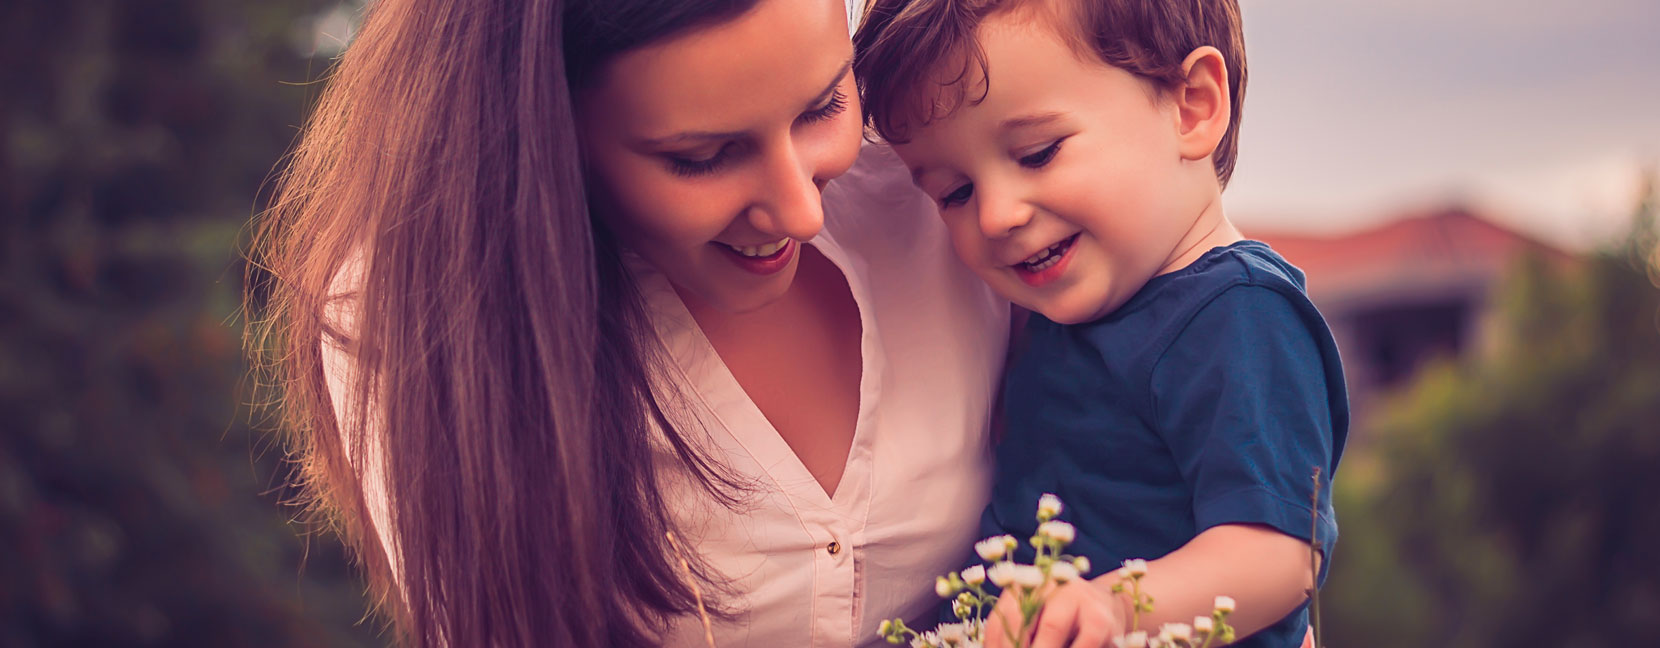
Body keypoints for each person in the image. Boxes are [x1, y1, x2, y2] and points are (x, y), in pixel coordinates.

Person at [249, 0, 1009, 645]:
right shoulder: (416, 323)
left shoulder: (946, 172)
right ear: (545, 132)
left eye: (823, 106)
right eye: (704, 156)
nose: (800, 211)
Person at [854, 0, 1347, 646]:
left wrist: (1115, 608)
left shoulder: (1240, 314)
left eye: (1037, 153)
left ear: (1192, 106)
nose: (997, 214)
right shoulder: (1062, 310)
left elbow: (1278, 556)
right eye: (955, 193)